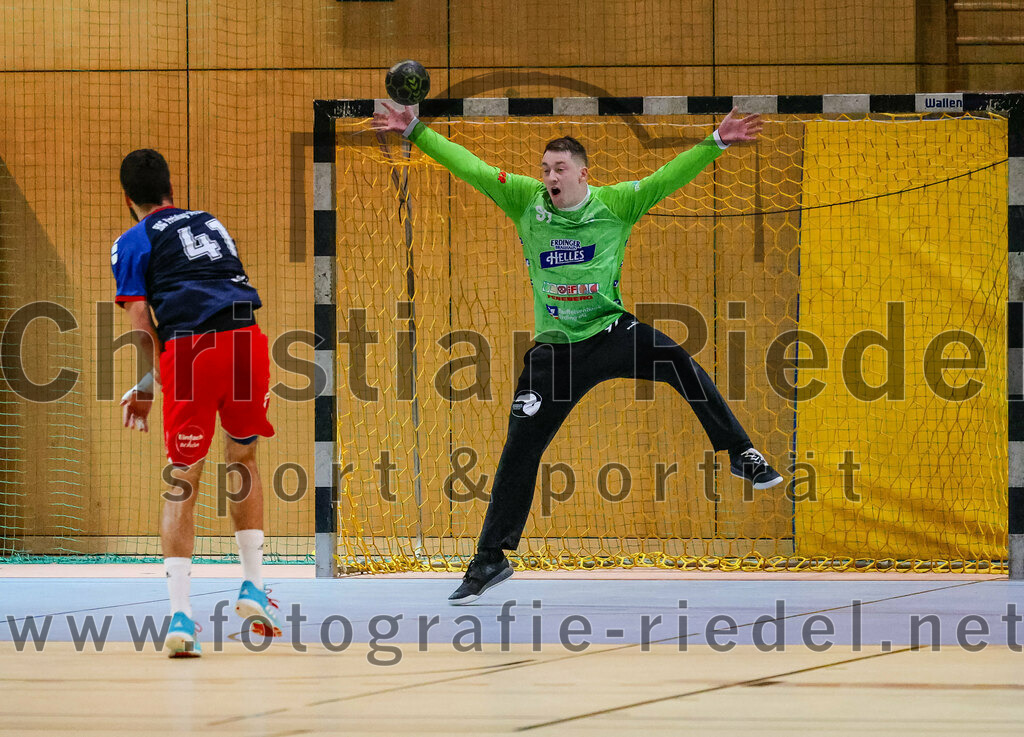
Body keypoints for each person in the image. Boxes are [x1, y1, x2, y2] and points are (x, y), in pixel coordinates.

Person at [371, 103, 782, 605]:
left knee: (676, 359)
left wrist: (714, 141)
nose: (549, 176)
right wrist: (416, 130)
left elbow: (665, 178)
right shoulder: (526, 201)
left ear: (583, 174)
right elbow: (470, 166)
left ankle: (740, 453)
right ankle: (490, 559)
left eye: (559, 169)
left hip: (610, 334)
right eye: (544, 169)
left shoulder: (615, 205)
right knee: (519, 450)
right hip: (555, 355)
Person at [112, 149, 281, 656]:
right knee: (244, 456)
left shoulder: (131, 241)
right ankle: (253, 584)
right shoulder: (210, 222)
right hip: (247, 340)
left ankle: (181, 618)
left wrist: (145, 388)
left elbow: (141, 323)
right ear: (170, 189)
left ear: (128, 200)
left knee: (182, 477)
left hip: (190, 349)